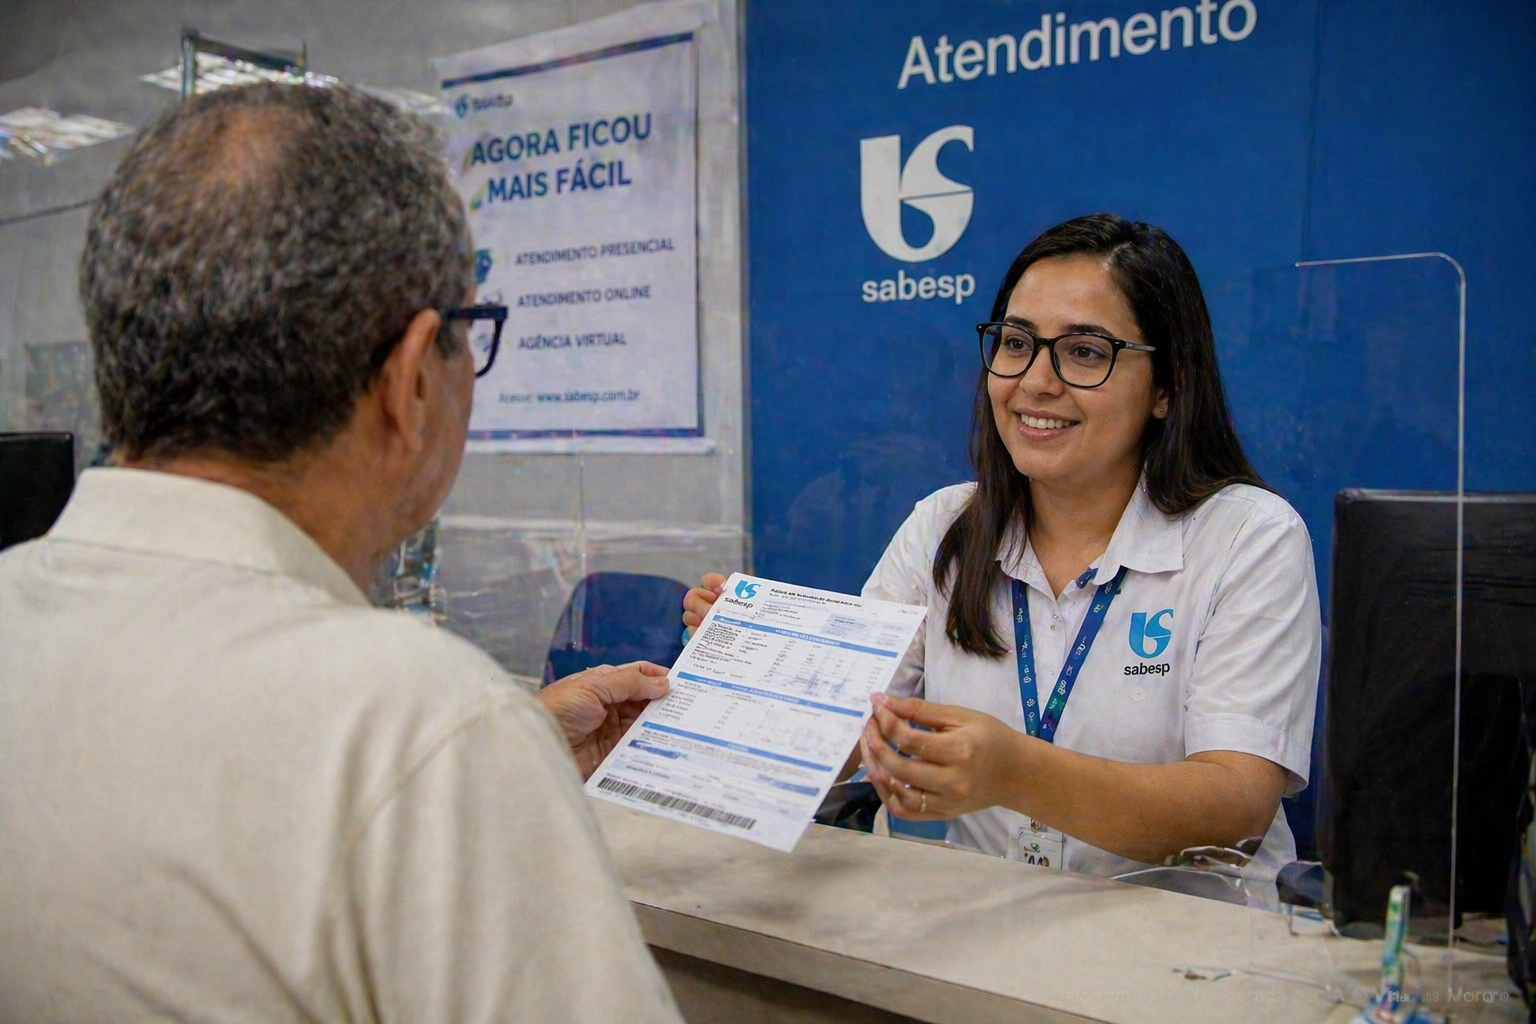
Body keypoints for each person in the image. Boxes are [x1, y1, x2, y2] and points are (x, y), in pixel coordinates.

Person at [0, 83, 681, 1022]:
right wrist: (462, 764)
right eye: (470, 336)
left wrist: (491, 766)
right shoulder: (416, 721)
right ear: (411, 380)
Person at [686, 214, 1320, 896]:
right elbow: (838, 739)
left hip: (1185, 937)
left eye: (1085, 352)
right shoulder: (943, 527)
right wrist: (750, 674)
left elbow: (1234, 806)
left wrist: (1018, 773)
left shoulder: (1248, 537)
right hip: (989, 920)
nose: (1035, 382)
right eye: (1016, 343)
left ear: (1167, 386)